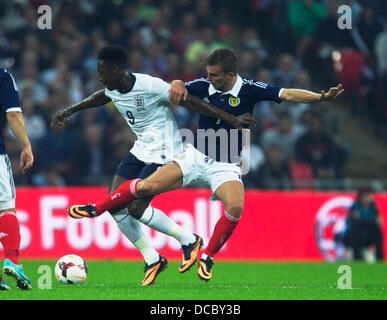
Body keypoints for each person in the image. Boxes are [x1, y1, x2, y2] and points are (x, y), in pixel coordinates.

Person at [69, 48, 344, 282]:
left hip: (225, 163)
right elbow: (177, 88)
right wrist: (177, 81)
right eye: (208, 74)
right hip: (194, 156)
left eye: (214, 75)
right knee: (145, 186)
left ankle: (208, 256)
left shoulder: (250, 89)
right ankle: (98, 207)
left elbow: (287, 94)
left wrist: (319, 97)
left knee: (236, 206)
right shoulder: (203, 86)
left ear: (231, 75)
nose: (208, 79)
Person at [51, 45, 255, 286]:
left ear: (116, 70)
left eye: (103, 72)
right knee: (115, 203)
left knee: (135, 208)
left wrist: (230, 119)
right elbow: (102, 96)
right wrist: (71, 109)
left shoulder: (150, 86)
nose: (100, 77)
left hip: (164, 152)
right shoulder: (113, 87)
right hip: (140, 149)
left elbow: (190, 102)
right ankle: (153, 258)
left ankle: (189, 240)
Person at [0, 68, 34, 290]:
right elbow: (13, 114)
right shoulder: (2, 75)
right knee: (6, 210)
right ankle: (12, 260)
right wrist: (26, 145)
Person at [343, 186, 384, 261]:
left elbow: (378, 221)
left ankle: (380, 258)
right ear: (362, 197)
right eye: (368, 195)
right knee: (357, 230)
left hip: (368, 235)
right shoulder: (355, 206)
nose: (371, 197)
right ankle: (357, 258)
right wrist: (371, 221)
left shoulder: (373, 207)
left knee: (378, 232)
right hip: (353, 237)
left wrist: (368, 221)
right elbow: (355, 222)